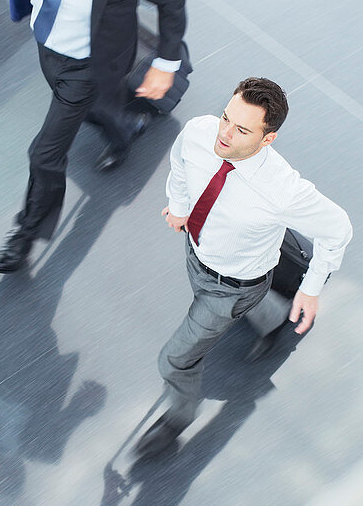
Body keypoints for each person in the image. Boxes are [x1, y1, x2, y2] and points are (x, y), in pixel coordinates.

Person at [135, 77, 352, 456]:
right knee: (224, 303)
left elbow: (338, 229)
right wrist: (180, 205)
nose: (225, 133)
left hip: (235, 285)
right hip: (197, 251)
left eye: (241, 129)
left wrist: (312, 287)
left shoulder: (282, 190)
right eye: (225, 117)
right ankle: (273, 317)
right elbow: (180, 165)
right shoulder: (200, 132)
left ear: (267, 139)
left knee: (176, 359)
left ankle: (177, 420)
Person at [0, 0, 187, 273]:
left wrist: (166, 64)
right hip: (47, 49)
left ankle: (24, 236)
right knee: (95, 109)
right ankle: (123, 127)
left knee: (44, 155)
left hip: (86, 66)